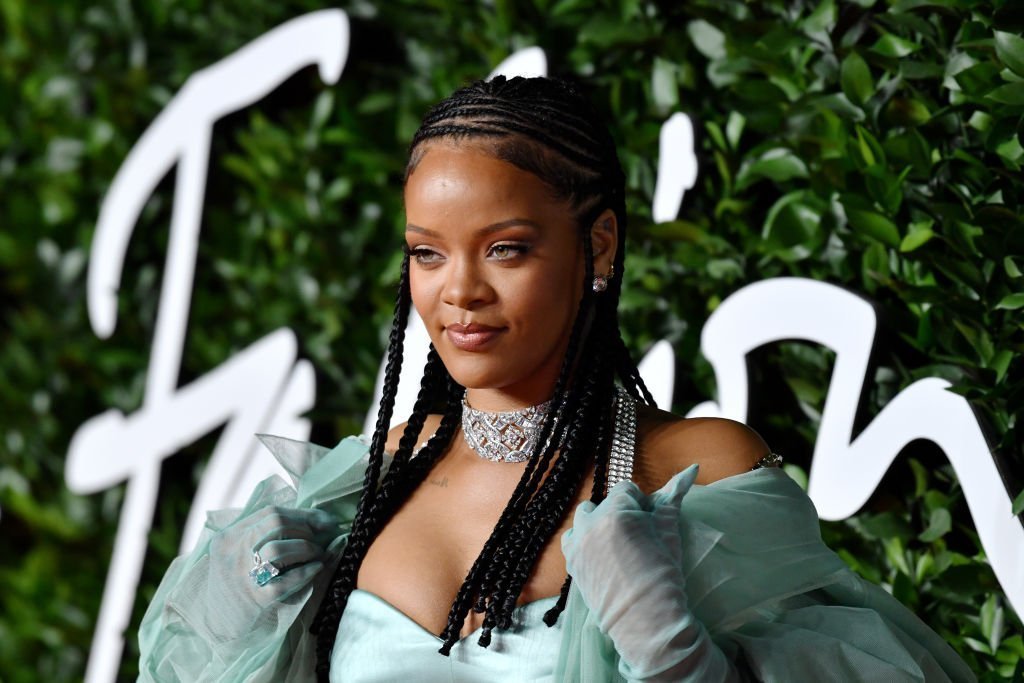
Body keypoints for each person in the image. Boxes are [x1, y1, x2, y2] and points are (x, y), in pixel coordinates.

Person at [137, 76, 975, 682]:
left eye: (505, 247)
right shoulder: (364, 483)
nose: (459, 290)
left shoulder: (695, 470)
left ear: (599, 245)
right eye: (427, 252)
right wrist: (226, 636)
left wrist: (683, 660)